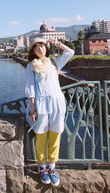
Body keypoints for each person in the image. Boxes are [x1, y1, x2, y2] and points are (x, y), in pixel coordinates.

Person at [25, 37, 74, 187]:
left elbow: (70, 52)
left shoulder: (54, 62)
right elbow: (30, 87)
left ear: (46, 48)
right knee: (41, 136)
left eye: (43, 46)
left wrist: (57, 43)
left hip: (57, 102)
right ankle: (42, 167)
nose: (40, 49)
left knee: (55, 134)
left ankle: (52, 167)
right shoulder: (31, 66)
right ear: (33, 51)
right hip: (40, 104)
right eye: (37, 47)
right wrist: (33, 107)